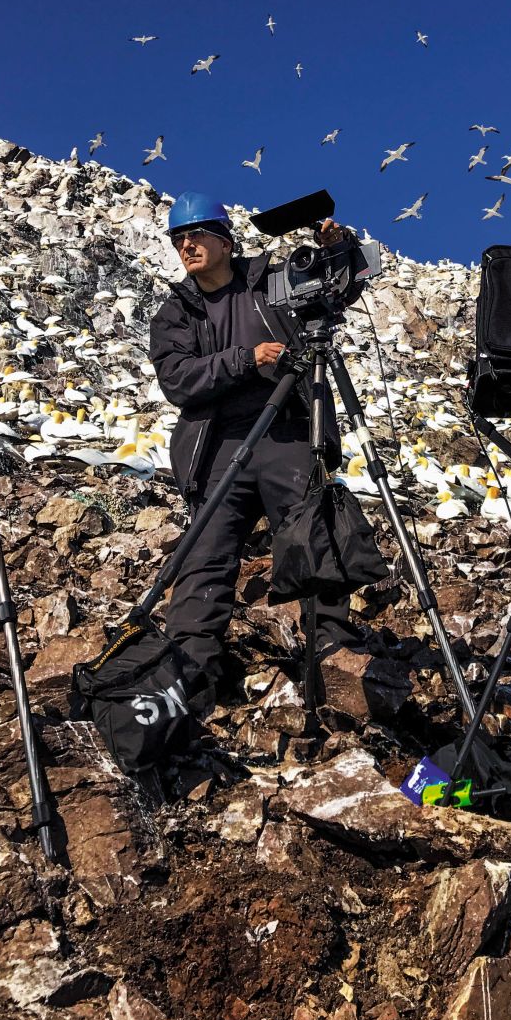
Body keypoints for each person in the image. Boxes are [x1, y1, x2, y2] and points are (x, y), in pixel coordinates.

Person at [149, 192, 359, 706]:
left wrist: (336, 247)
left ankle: (332, 660)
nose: (186, 244)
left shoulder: (270, 279)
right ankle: (188, 674)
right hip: (218, 444)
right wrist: (246, 359)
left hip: (288, 431)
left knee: (312, 538)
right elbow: (177, 379)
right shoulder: (177, 310)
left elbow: (336, 290)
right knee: (205, 555)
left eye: (196, 234)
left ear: (225, 239)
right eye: (179, 238)